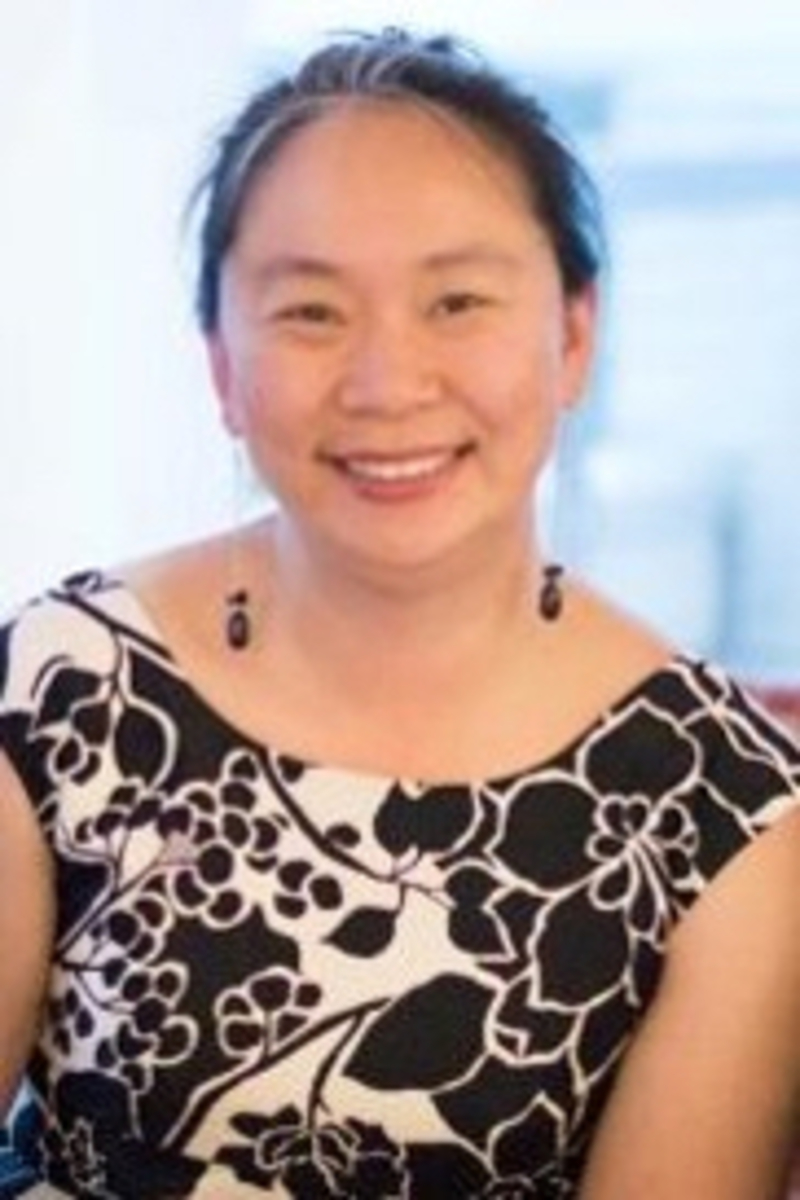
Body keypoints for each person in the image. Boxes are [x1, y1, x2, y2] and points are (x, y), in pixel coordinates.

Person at [1, 27, 799, 1200]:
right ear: (220, 366)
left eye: (456, 301)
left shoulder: (725, 806)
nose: (385, 384)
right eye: (309, 312)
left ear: (573, 337)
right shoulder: (64, 679)